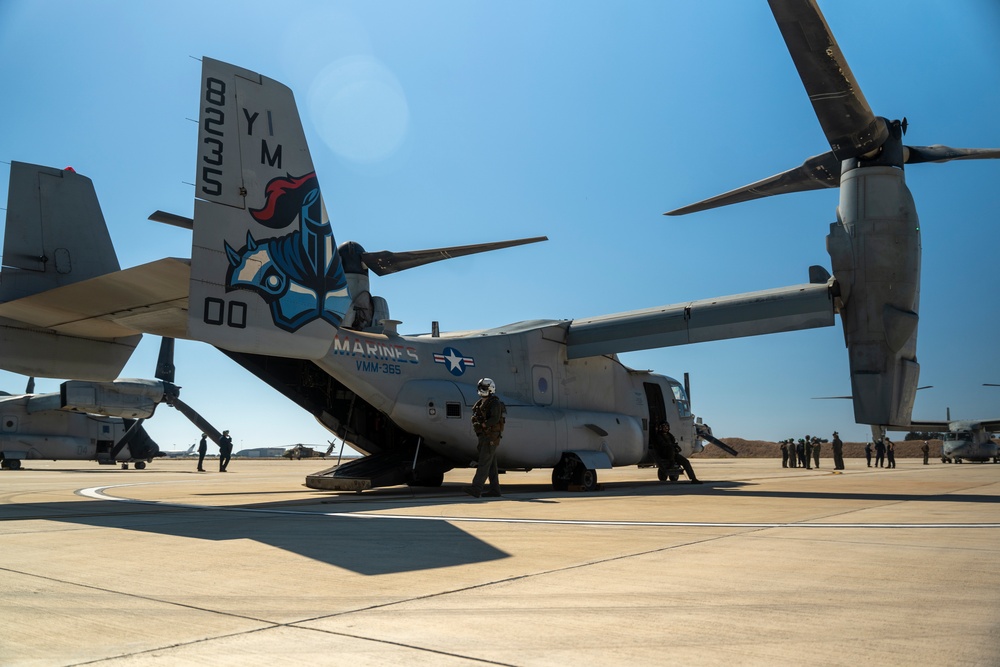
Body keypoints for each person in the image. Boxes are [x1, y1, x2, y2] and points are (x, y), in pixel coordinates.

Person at [464, 378, 505, 498]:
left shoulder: (494, 403)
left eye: (484, 388)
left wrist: (483, 424)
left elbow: (495, 419)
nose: (482, 391)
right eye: (481, 388)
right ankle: (495, 490)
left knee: (483, 463)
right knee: (491, 465)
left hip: (490, 437)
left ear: (490, 389)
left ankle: (476, 488)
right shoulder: (482, 402)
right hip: (484, 437)